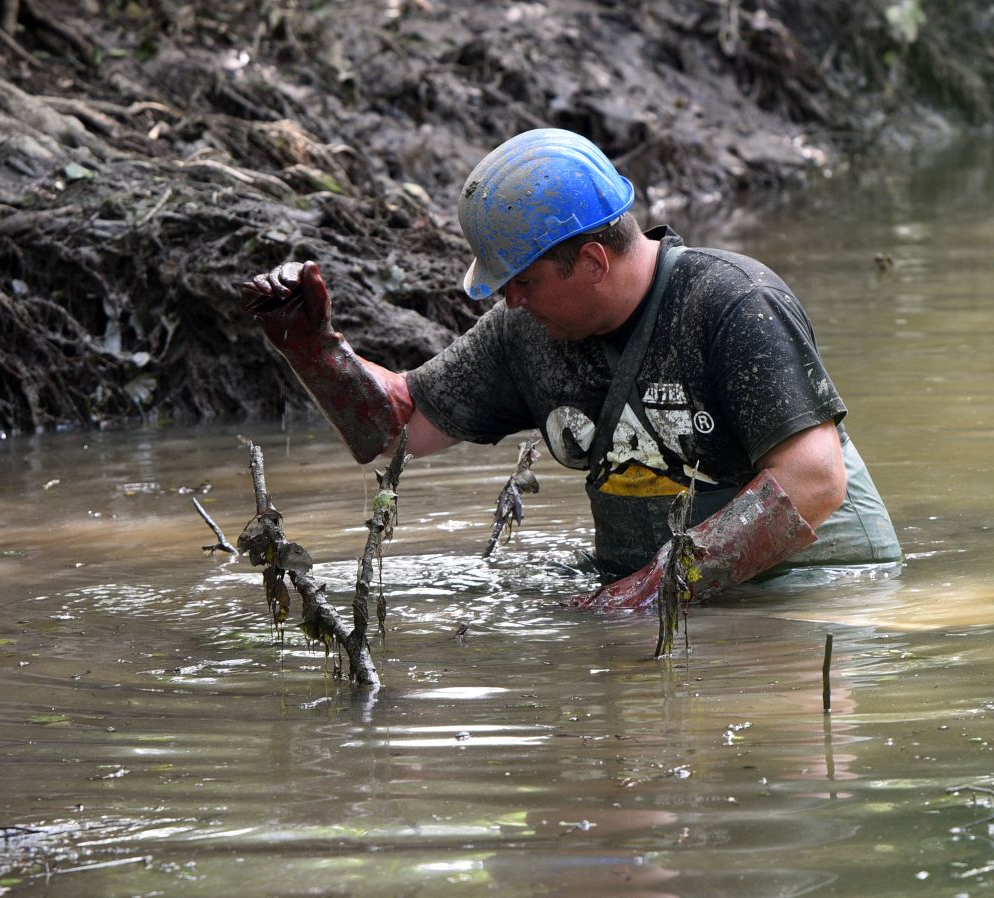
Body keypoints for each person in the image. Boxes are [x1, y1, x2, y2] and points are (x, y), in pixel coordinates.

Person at [243, 128, 901, 608]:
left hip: (814, 590)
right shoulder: (525, 330)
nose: (511, 301)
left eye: (522, 282)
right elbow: (397, 429)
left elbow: (814, 480)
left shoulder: (733, 302)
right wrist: (316, 352)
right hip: (648, 594)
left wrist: (647, 592)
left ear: (592, 261)